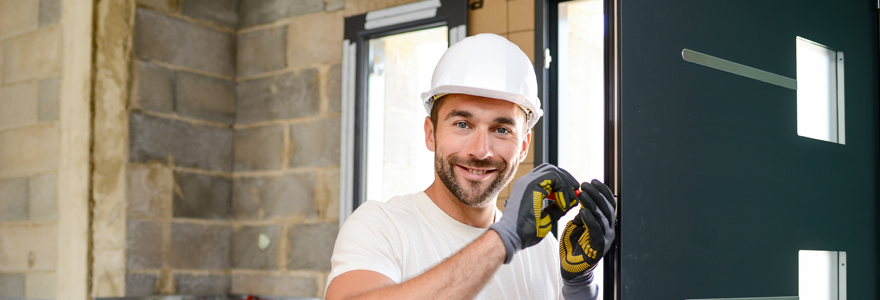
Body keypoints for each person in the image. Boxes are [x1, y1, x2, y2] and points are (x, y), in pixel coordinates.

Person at [324, 33, 617, 300]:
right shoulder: (382, 227)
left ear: (524, 145)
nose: (480, 151)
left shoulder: (543, 250)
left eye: (501, 130)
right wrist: (505, 238)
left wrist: (579, 286)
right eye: (462, 124)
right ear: (431, 133)